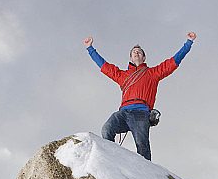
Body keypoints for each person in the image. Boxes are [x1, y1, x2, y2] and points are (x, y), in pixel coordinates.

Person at [83, 32, 197, 160]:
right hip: (123, 112)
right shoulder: (123, 75)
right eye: (134, 52)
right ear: (131, 58)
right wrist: (90, 48)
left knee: (142, 147)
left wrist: (188, 43)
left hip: (141, 114)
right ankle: (112, 160)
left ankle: (146, 176)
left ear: (144, 58)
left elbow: (173, 62)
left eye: (139, 52)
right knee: (106, 129)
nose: (136, 53)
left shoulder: (153, 73)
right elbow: (104, 66)